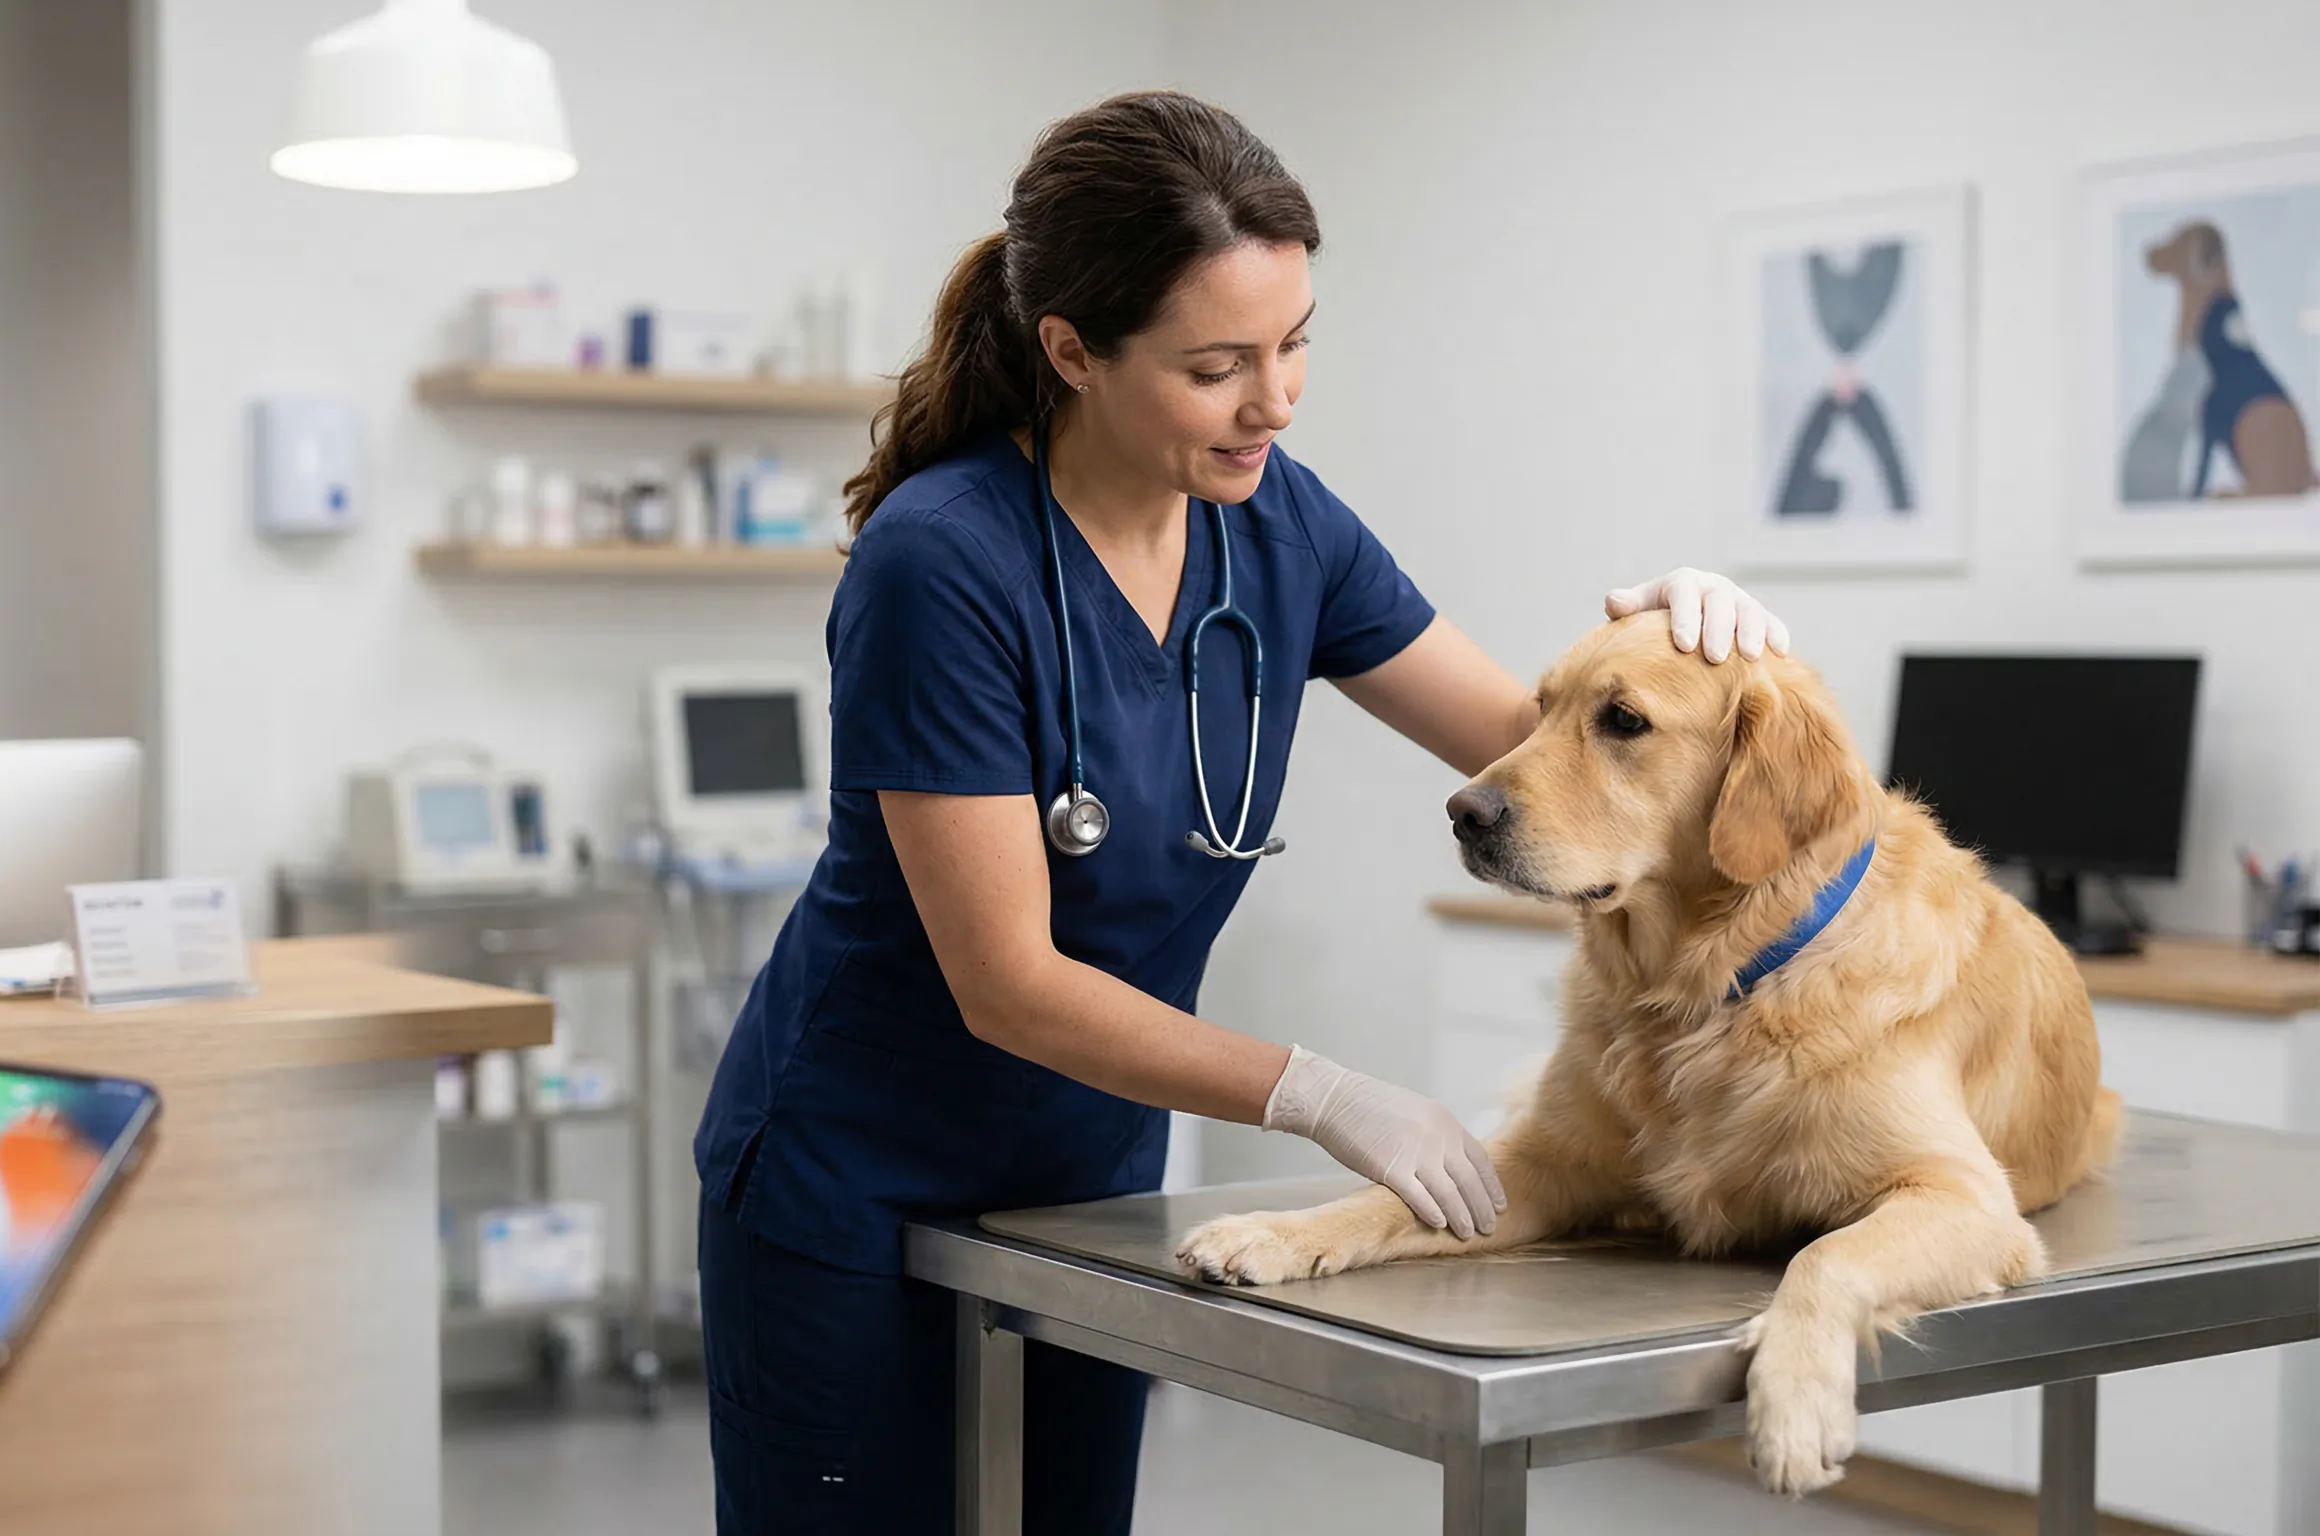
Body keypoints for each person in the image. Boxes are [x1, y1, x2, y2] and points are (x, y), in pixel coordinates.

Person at [691, 90, 1788, 1534]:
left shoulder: (1284, 528)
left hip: (1086, 1182)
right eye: (1218, 366)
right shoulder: (939, 567)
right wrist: (1320, 1094)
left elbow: (1545, 752)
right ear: (1071, 352)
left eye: (1295, 343)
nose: (1273, 399)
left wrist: (1694, 649)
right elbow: (1005, 980)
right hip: (853, 1175)